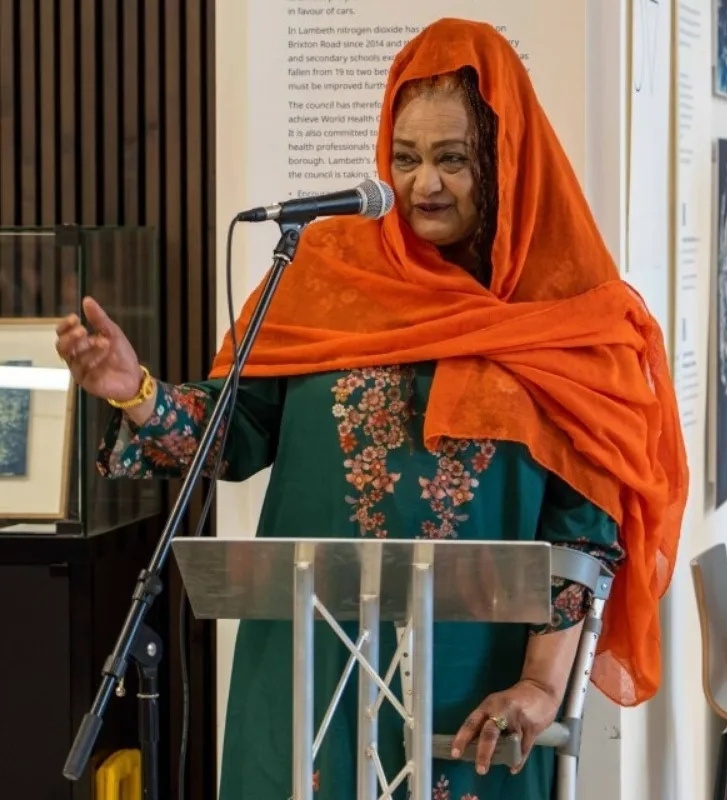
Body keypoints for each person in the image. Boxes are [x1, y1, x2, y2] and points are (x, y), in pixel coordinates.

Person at [54, 17, 688, 800]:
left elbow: (586, 527)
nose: (425, 185)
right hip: (306, 678)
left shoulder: (572, 316)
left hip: (469, 695)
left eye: (454, 160)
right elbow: (235, 436)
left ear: (503, 159)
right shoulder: (324, 272)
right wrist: (138, 393)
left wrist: (538, 686)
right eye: (407, 157)